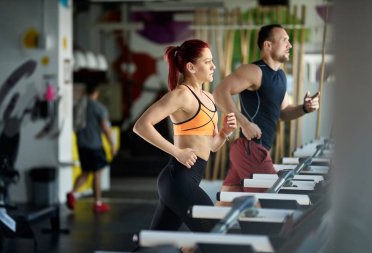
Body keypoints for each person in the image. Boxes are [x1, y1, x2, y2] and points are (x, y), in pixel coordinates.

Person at [133, 39, 236, 232]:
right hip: (178, 179)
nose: (214, 66)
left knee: (153, 246)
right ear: (191, 67)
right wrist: (177, 152)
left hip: (187, 179)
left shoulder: (209, 97)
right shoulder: (181, 95)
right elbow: (141, 126)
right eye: (207, 62)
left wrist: (224, 133)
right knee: (216, 233)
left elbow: (212, 146)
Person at [213, 24, 320, 199]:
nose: (289, 45)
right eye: (284, 40)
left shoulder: (280, 76)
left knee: (227, 206)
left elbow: (283, 112)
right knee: (270, 203)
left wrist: (304, 108)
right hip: (252, 149)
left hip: (250, 150)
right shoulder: (254, 71)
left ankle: (208, 225)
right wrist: (244, 123)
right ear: (268, 45)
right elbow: (218, 93)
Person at [66, 83, 116, 213]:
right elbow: (105, 128)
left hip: (81, 145)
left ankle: (72, 193)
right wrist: (112, 144)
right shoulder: (99, 108)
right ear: (96, 93)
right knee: (97, 173)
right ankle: (97, 203)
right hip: (94, 146)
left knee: (86, 172)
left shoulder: (78, 106)